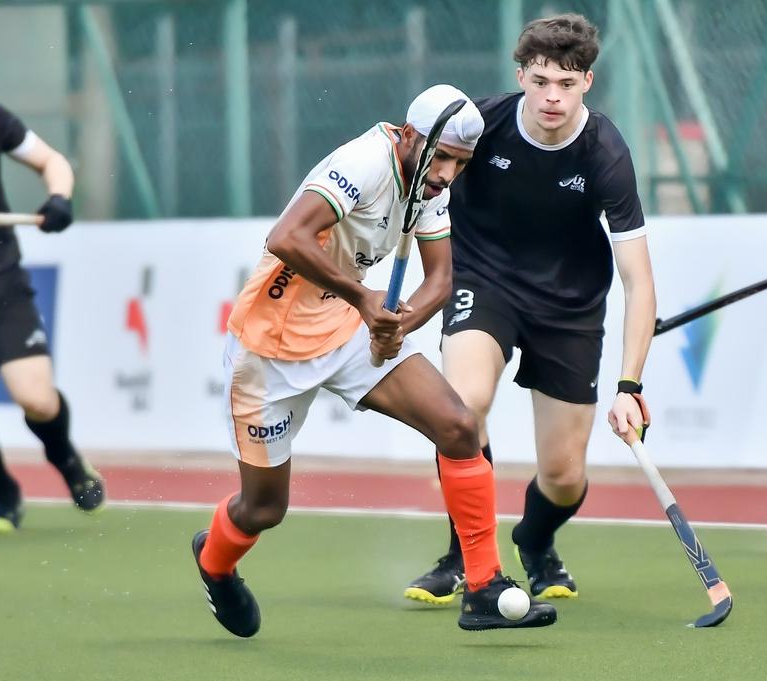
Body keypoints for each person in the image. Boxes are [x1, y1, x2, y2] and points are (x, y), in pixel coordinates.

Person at [192, 84, 556, 637]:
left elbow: (440, 279)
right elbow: (285, 235)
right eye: (443, 159)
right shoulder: (363, 163)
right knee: (263, 509)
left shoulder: (433, 184)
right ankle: (214, 564)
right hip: (269, 346)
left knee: (458, 426)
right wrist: (366, 301)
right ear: (410, 136)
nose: (448, 175)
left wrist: (399, 323)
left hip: (347, 330)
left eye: (461, 164)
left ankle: (483, 587)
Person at [403, 14, 656, 605]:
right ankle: (466, 556)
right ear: (521, 75)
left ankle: (536, 542)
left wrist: (629, 384)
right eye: (540, 80)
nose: (551, 96)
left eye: (566, 84)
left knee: (565, 475)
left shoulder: (606, 153)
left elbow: (639, 281)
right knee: (462, 411)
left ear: (588, 82)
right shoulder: (481, 126)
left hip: (570, 305)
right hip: (483, 280)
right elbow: (420, 184)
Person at [0, 25, 104, 533]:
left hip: (0, 287)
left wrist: (59, 197)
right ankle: (4, 495)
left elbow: (51, 161)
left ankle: (68, 462)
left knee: (37, 398)